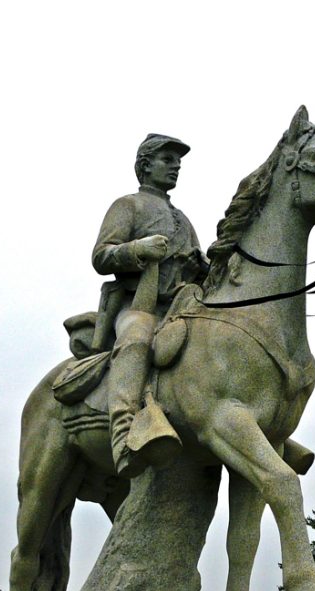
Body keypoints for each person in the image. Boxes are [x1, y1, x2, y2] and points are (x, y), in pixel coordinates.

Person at [92, 134, 207, 477]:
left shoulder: (182, 218)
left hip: (183, 306)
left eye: (178, 163)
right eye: (167, 160)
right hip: (138, 304)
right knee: (137, 340)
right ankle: (124, 436)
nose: (175, 168)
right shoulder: (128, 205)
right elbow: (101, 256)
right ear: (145, 165)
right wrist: (138, 249)